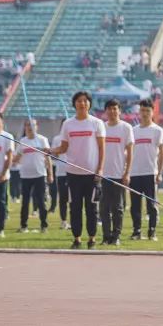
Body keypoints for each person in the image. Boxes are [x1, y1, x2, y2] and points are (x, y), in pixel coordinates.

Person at [52, 91, 105, 249]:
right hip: (73, 174)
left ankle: (92, 239)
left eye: (85, 101)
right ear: (74, 104)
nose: (82, 103)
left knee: (91, 208)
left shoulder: (97, 123)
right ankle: (77, 238)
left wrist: (100, 169)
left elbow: (102, 148)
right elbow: (64, 147)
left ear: (89, 104)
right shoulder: (68, 124)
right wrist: (51, 150)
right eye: (79, 101)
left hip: (92, 174)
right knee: (74, 208)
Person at [129, 98, 163, 241]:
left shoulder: (157, 130)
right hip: (135, 172)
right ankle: (137, 230)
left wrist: (160, 172)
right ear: (139, 111)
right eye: (142, 110)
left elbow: (162, 152)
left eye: (147, 111)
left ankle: (152, 231)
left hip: (150, 172)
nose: (144, 113)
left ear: (152, 112)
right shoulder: (133, 131)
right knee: (135, 205)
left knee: (152, 204)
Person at [99, 99, 133, 245]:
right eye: (109, 109)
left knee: (117, 207)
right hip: (103, 174)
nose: (112, 112)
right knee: (104, 208)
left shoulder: (126, 128)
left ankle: (116, 236)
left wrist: (127, 173)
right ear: (105, 111)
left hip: (119, 174)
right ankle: (106, 236)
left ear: (119, 110)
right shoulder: (102, 127)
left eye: (115, 109)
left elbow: (130, 152)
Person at [15, 118, 52, 234]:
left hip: (40, 175)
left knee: (41, 201)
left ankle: (44, 225)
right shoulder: (22, 141)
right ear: (25, 127)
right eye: (27, 125)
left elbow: (48, 157)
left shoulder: (42, 140)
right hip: (25, 176)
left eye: (32, 125)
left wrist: (50, 174)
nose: (30, 128)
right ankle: (23, 225)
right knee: (25, 202)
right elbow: (17, 158)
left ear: (37, 126)